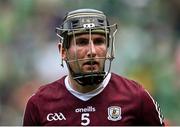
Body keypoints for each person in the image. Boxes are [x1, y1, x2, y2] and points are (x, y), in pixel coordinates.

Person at [23, 8, 165, 126]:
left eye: (98, 41)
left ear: (108, 48)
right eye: (82, 42)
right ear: (63, 51)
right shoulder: (39, 104)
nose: (92, 51)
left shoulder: (136, 97)